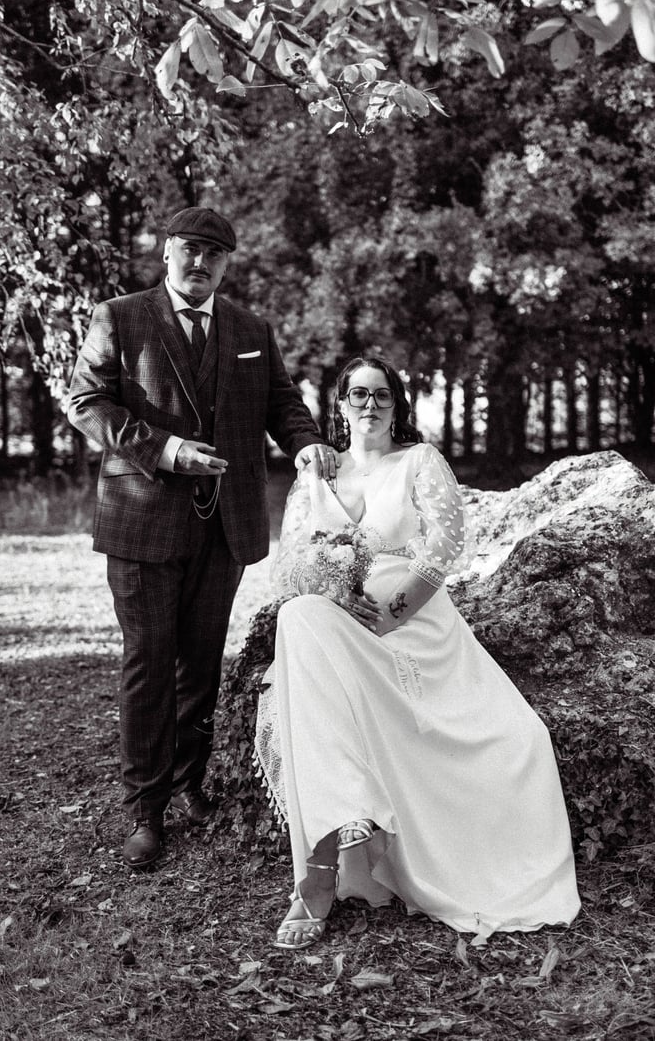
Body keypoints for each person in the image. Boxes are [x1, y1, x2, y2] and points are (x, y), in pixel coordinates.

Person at [255, 355, 581, 949]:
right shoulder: (315, 476)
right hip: (337, 627)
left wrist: (390, 613)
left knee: (520, 739)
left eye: (383, 395)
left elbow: (444, 547)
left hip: (414, 630)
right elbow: (289, 568)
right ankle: (320, 869)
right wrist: (331, 591)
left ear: (398, 405)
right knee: (299, 619)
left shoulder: (419, 461)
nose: (371, 406)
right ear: (342, 405)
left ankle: (332, 867)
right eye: (359, 395)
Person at [67, 206, 335, 869]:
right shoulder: (120, 316)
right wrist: (165, 450)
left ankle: (191, 784)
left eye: (215, 253)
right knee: (149, 661)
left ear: (227, 263)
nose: (201, 262)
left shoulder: (250, 328)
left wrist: (305, 445)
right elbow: (86, 404)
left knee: (200, 663)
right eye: (190, 249)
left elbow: (282, 404)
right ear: (166, 252)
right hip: (141, 520)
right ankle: (145, 809)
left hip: (224, 527)